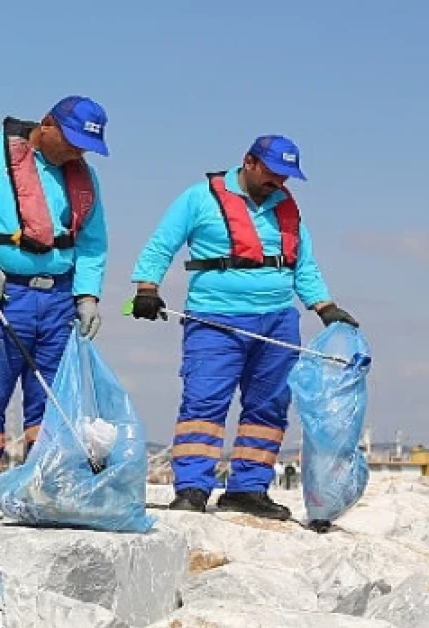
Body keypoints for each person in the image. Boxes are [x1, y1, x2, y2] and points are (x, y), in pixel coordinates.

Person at [129, 135, 358, 521]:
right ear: (249, 162)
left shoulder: (287, 206)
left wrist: (325, 307)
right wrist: (147, 288)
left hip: (277, 322)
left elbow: (303, 265)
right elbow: (160, 244)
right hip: (214, 319)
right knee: (204, 403)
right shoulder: (198, 198)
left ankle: (248, 489)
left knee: (269, 406)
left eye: (287, 178)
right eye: (273, 175)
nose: (280, 184)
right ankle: (192, 489)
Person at [0, 96, 111, 528]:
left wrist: (87, 294)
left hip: (56, 300)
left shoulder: (83, 178)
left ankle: (44, 488)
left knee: (52, 402)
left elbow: (92, 243)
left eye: (85, 148)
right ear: (48, 124)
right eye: (72, 142)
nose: (77, 154)